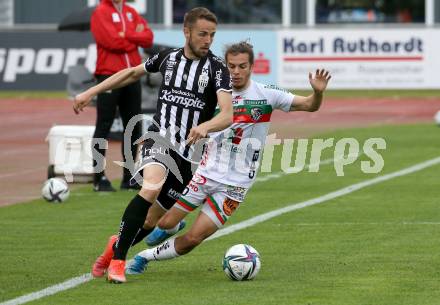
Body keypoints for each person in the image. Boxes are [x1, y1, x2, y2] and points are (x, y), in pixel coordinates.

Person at [124, 41, 331, 275]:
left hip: (236, 185)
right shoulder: (214, 95)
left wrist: (318, 92)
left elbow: (309, 105)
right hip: (205, 174)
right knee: (164, 223)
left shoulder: (267, 94)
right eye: (231, 66)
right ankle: (168, 228)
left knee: (193, 238)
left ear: (252, 67)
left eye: (242, 66)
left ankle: (142, 258)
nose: (236, 72)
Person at [73, 7, 233, 283]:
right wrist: (91, 91)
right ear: (187, 32)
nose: (208, 40)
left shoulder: (218, 69)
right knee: (151, 186)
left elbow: (228, 114)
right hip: (158, 138)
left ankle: (115, 247)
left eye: (212, 35)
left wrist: (206, 126)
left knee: (151, 222)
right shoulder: (168, 59)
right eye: (202, 34)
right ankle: (119, 263)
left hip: (189, 156)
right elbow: (130, 73)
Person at [90, 0, 154, 191]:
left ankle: (129, 176)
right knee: (104, 124)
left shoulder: (130, 11)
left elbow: (148, 38)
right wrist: (134, 37)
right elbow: (111, 41)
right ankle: (98, 177)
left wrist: (126, 35)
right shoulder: (101, 12)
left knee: (134, 125)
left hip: (132, 74)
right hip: (108, 73)